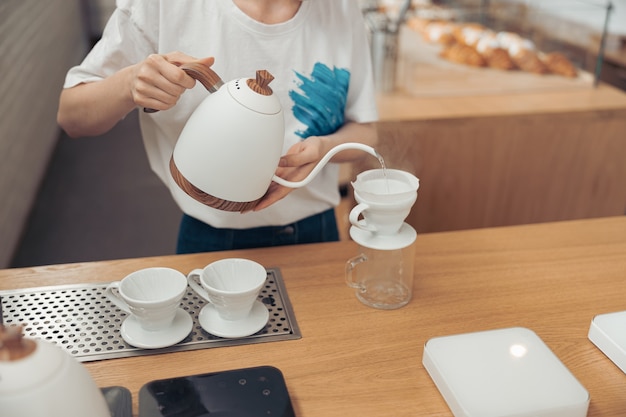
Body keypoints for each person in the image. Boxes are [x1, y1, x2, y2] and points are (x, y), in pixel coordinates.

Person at [57, 0, 379, 253]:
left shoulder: (341, 8)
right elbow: (72, 116)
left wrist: (323, 150)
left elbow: (366, 130)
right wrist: (130, 83)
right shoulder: (164, 7)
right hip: (212, 238)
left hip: (316, 233)